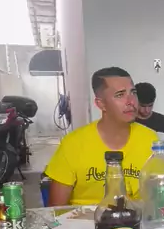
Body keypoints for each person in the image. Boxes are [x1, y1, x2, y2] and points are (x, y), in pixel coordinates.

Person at [46, 67, 156, 206]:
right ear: (101, 104)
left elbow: (160, 198)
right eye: (120, 95)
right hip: (84, 218)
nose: (131, 101)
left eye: (133, 93)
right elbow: (56, 210)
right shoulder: (72, 144)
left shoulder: (151, 140)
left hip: (136, 217)